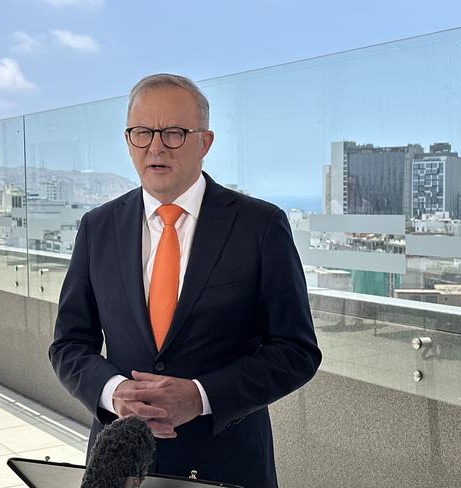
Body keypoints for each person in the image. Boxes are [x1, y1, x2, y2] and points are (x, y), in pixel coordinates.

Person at [49, 73, 321, 488]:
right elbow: (69, 344)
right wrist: (113, 391)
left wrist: (200, 396)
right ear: (128, 141)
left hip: (227, 465)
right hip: (120, 467)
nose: (156, 146)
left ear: (204, 143)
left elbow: (296, 351)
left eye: (174, 133)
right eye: (142, 132)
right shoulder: (97, 227)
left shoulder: (260, 225)